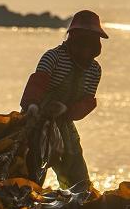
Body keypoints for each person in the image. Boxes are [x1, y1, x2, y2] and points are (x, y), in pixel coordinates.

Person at [19, 10, 107, 190]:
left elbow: (87, 102)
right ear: (73, 38)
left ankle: (78, 207)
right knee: (29, 172)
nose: (86, 48)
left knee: (78, 179)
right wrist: (33, 106)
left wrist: (65, 110)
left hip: (64, 124)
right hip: (35, 120)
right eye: (82, 41)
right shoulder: (53, 57)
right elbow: (37, 83)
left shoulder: (94, 70)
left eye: (91, 42)